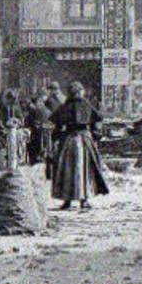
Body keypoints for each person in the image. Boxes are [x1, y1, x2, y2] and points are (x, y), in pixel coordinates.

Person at [50, 81, 108, 210]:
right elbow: (97, 117)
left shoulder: (65, 106)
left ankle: (67, 200)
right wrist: (95, 133)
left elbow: (57, 125)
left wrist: (56, 138)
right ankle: (84, 200)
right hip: (84, 139)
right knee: (84, 170)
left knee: (67, 170)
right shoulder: (86, 104)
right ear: (80, 92)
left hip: (68, 140)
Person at [25, 91, 53, 167]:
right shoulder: (48, 111)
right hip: (47, 139)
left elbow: (28, 124)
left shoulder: (35, 112)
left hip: (37, 139)